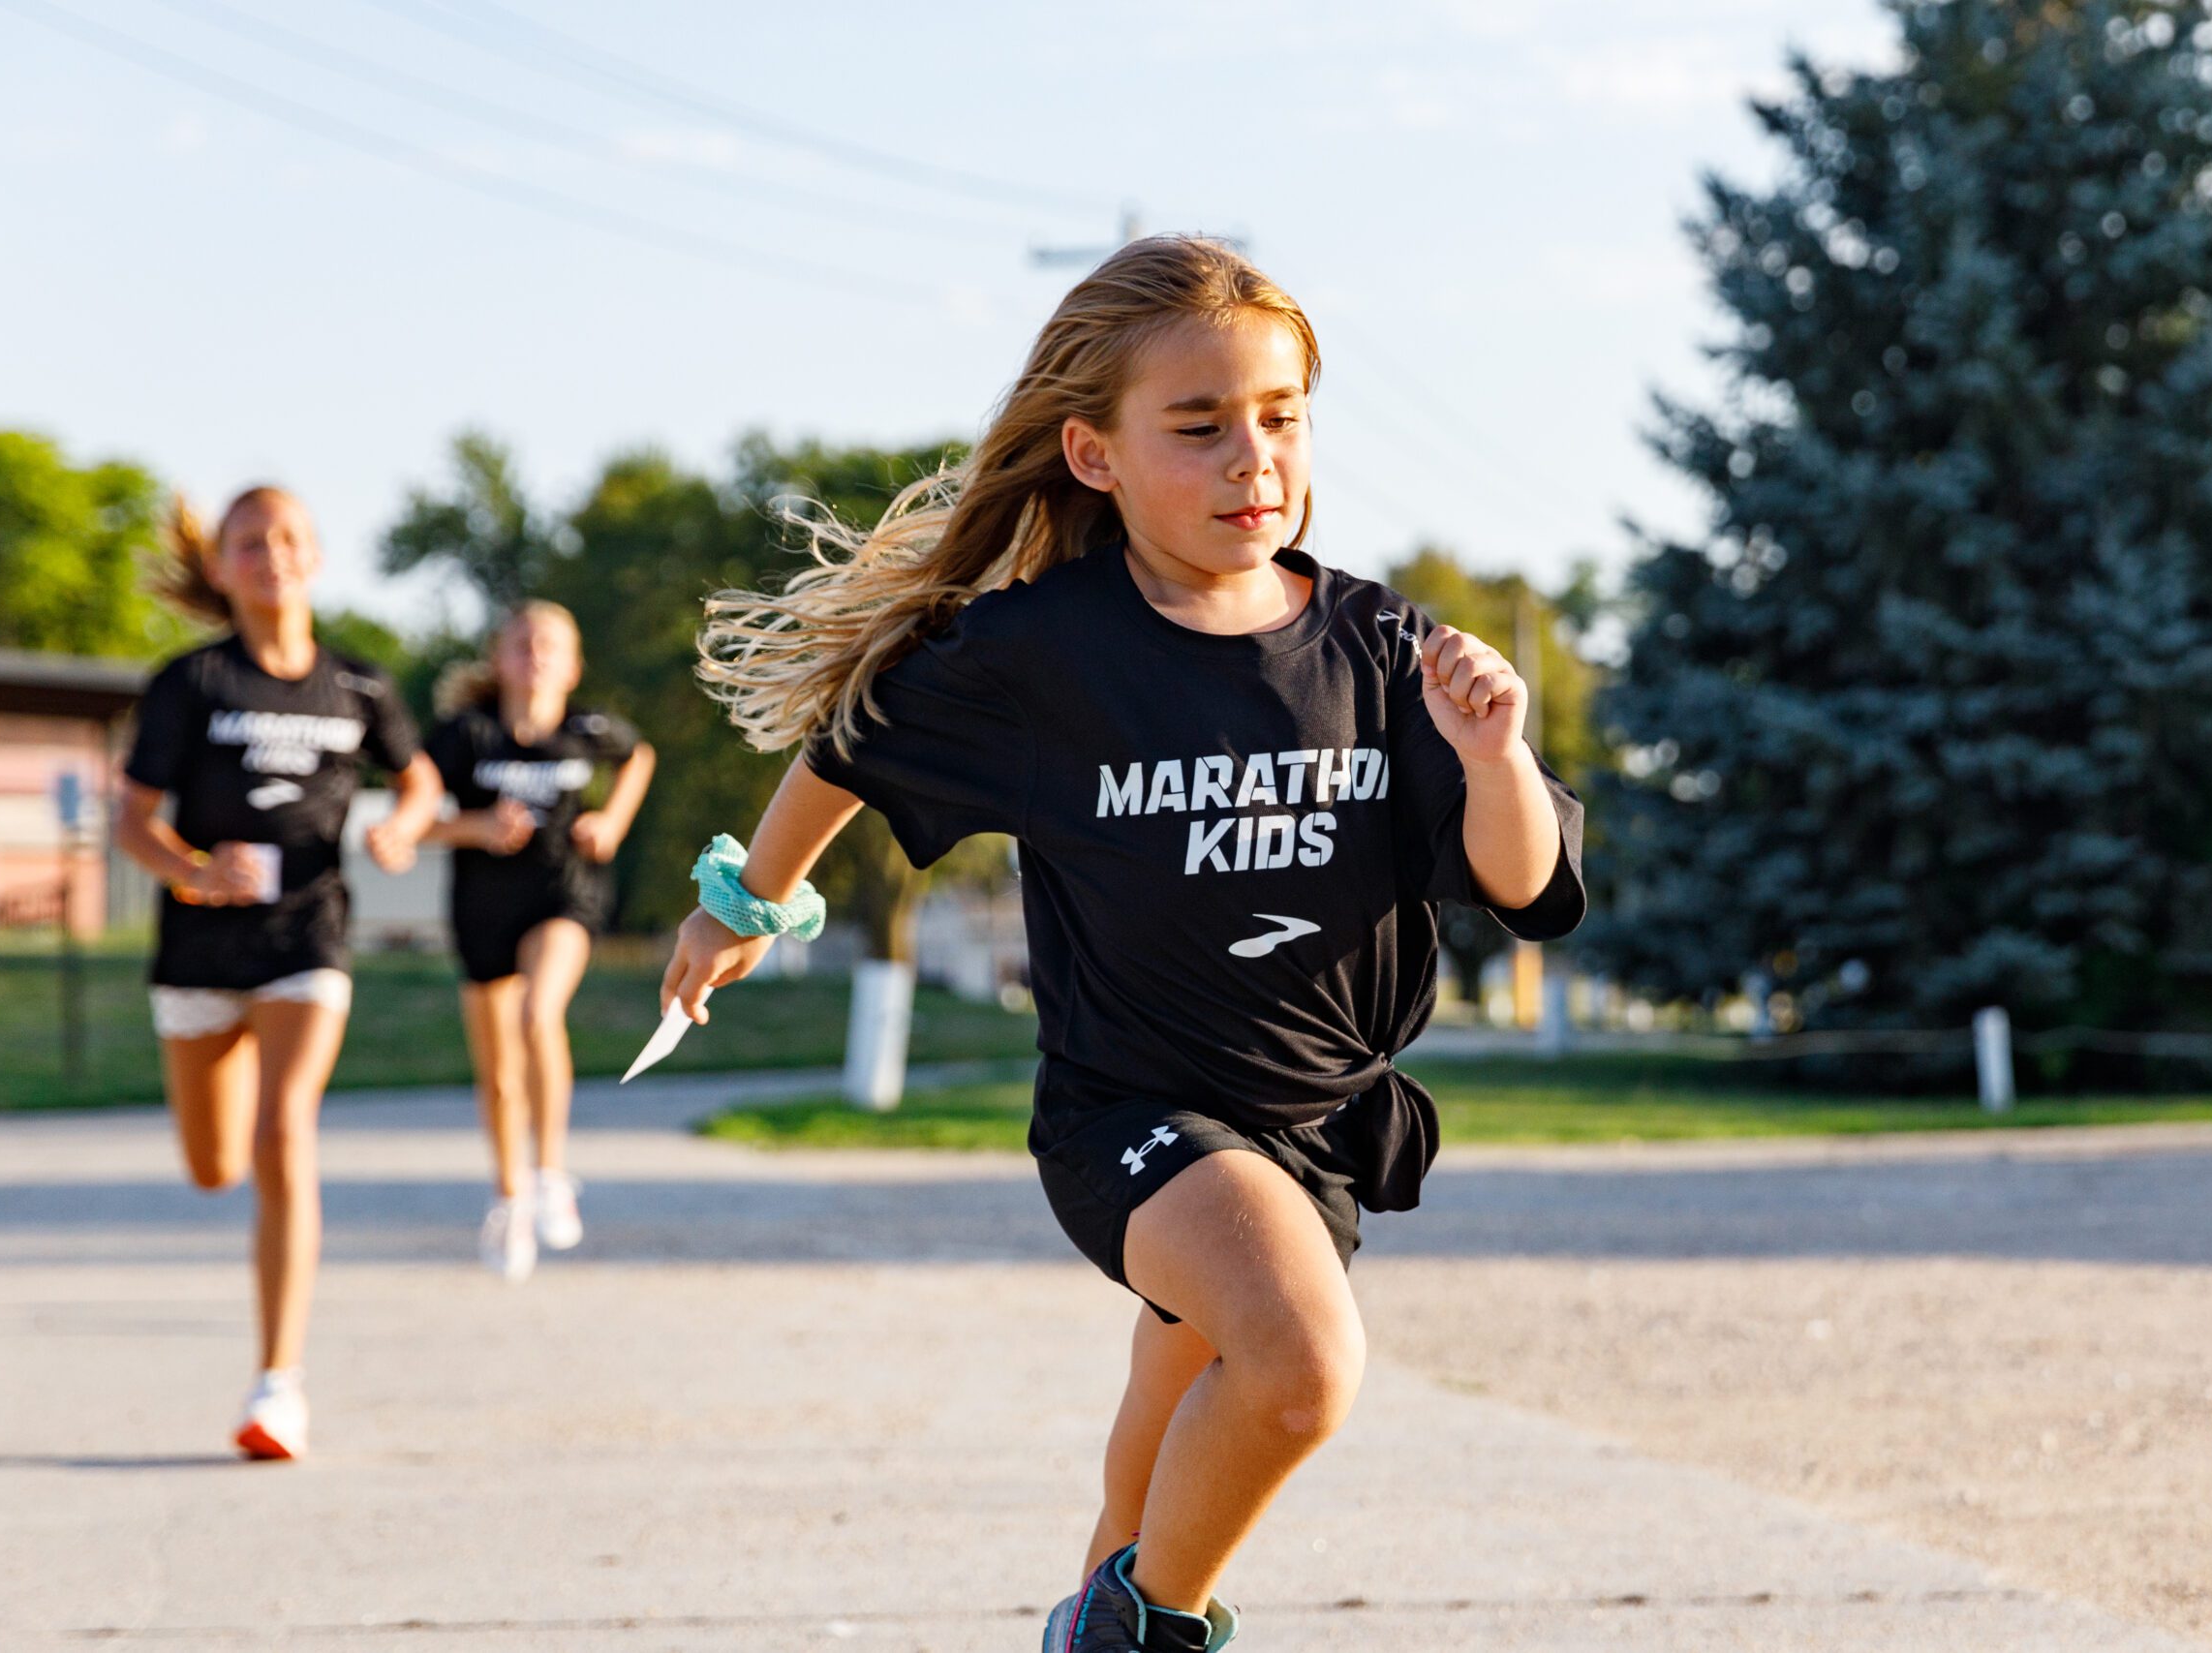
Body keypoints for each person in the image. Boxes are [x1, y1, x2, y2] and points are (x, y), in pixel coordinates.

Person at [662, 237, 1586, 1651]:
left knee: (1148, 1486)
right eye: (1199, 426)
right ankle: (1140, 1630)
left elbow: (1524, 886)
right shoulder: (1043, 653)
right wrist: (746, 904)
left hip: (1319, 1126)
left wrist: (1495, 750)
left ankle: (1103, 1607)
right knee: (1300, 1367)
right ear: (1093, 455)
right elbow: (852, 741)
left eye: (1280, 416)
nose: (1252, 459)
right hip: (1132, 1113)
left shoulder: (1379, 645)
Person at [113, 486, 442, 1461]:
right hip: (200, 951)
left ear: (317, 556)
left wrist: (401, 826)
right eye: (249, 542)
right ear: (221, 568)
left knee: (284, 1131)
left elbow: (418, 778)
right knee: (216, 1167)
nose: (272, 554)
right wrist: (193, 871)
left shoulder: (359, 684)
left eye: (288, 536)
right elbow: (131, 820)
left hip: (308, 937)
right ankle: (236, 1098)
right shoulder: (190, 682)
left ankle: (277, 1386)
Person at [423, 601, 655, 1280]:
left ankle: (550, 1173)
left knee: (538, 1013)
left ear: (574, 664)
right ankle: (510, 1197)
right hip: (482, 909)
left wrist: (611, 820)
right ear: (499, 659)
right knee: (499, 1073)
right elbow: (416, 815)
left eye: (552, 643)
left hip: (564, 898)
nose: (537, 653)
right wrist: (475, 828)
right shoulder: (466, 735)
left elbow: (639, 757)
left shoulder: (589, 729)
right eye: (522, 641)